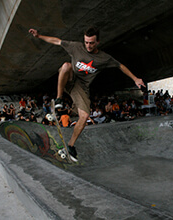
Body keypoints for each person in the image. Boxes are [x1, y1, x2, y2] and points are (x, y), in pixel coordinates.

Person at [29, 26, 145, 161]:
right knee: (66, 65)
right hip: (69, 79)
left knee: (84, 116)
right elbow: (56, 41)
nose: (88, 46)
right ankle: (59, 99)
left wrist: (135, 78)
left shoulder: (103, 58)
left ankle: (71, 146)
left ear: (98, 42)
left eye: (91, 43)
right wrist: (39, 36)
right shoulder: (75, 47)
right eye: (86, 42)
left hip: (81, 88)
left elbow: (120, 66)